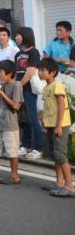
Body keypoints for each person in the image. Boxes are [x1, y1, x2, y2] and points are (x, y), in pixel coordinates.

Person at [37, 58, 75, 197]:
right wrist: (43, 119)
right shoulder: (47, 87)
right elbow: (48, 107)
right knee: (55, 154)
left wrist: (58, 126)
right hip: (51, 125)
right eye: (39, 70)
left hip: (60, 125)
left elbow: (61, 106)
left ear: (52, 72)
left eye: (43, 71)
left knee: (60, 154)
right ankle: (59, 182)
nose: (39, 73)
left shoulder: (57, 85)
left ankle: (69, 186)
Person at [14, 27, 43, 159]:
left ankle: (38, 148)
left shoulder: (34, 52)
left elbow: (30, 72)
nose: (16, 38)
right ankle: (25, 146)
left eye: (18, 35)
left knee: (32, 118)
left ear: (25, 36)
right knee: (24, 119)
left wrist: (19, 85)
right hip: (19, 89)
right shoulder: (17, 54)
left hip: (29, 90)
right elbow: (16, 73)